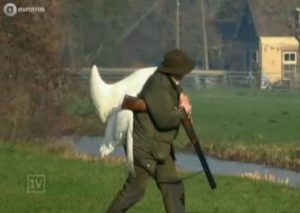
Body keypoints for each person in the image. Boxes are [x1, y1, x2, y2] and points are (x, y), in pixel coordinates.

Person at [106, 49, 195, 213]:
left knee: (173, 189)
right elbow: (166, 120)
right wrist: (183, 110)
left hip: (160, 146)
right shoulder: (159, 85)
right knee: (134, 191)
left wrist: (182, 99)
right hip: (145, 146)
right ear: (177, 71)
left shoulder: (169, 83)